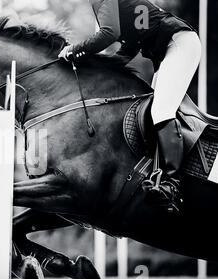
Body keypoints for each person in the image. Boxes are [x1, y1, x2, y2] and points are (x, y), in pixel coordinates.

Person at [58, 0, 202, 214]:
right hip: (170, 48)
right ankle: (157, 174)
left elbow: (108, 33)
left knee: (161, 112)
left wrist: (74, 51)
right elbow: (131, 45)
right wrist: (101, 70)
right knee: (152, 113)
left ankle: (172, 182)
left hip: (178, 43)